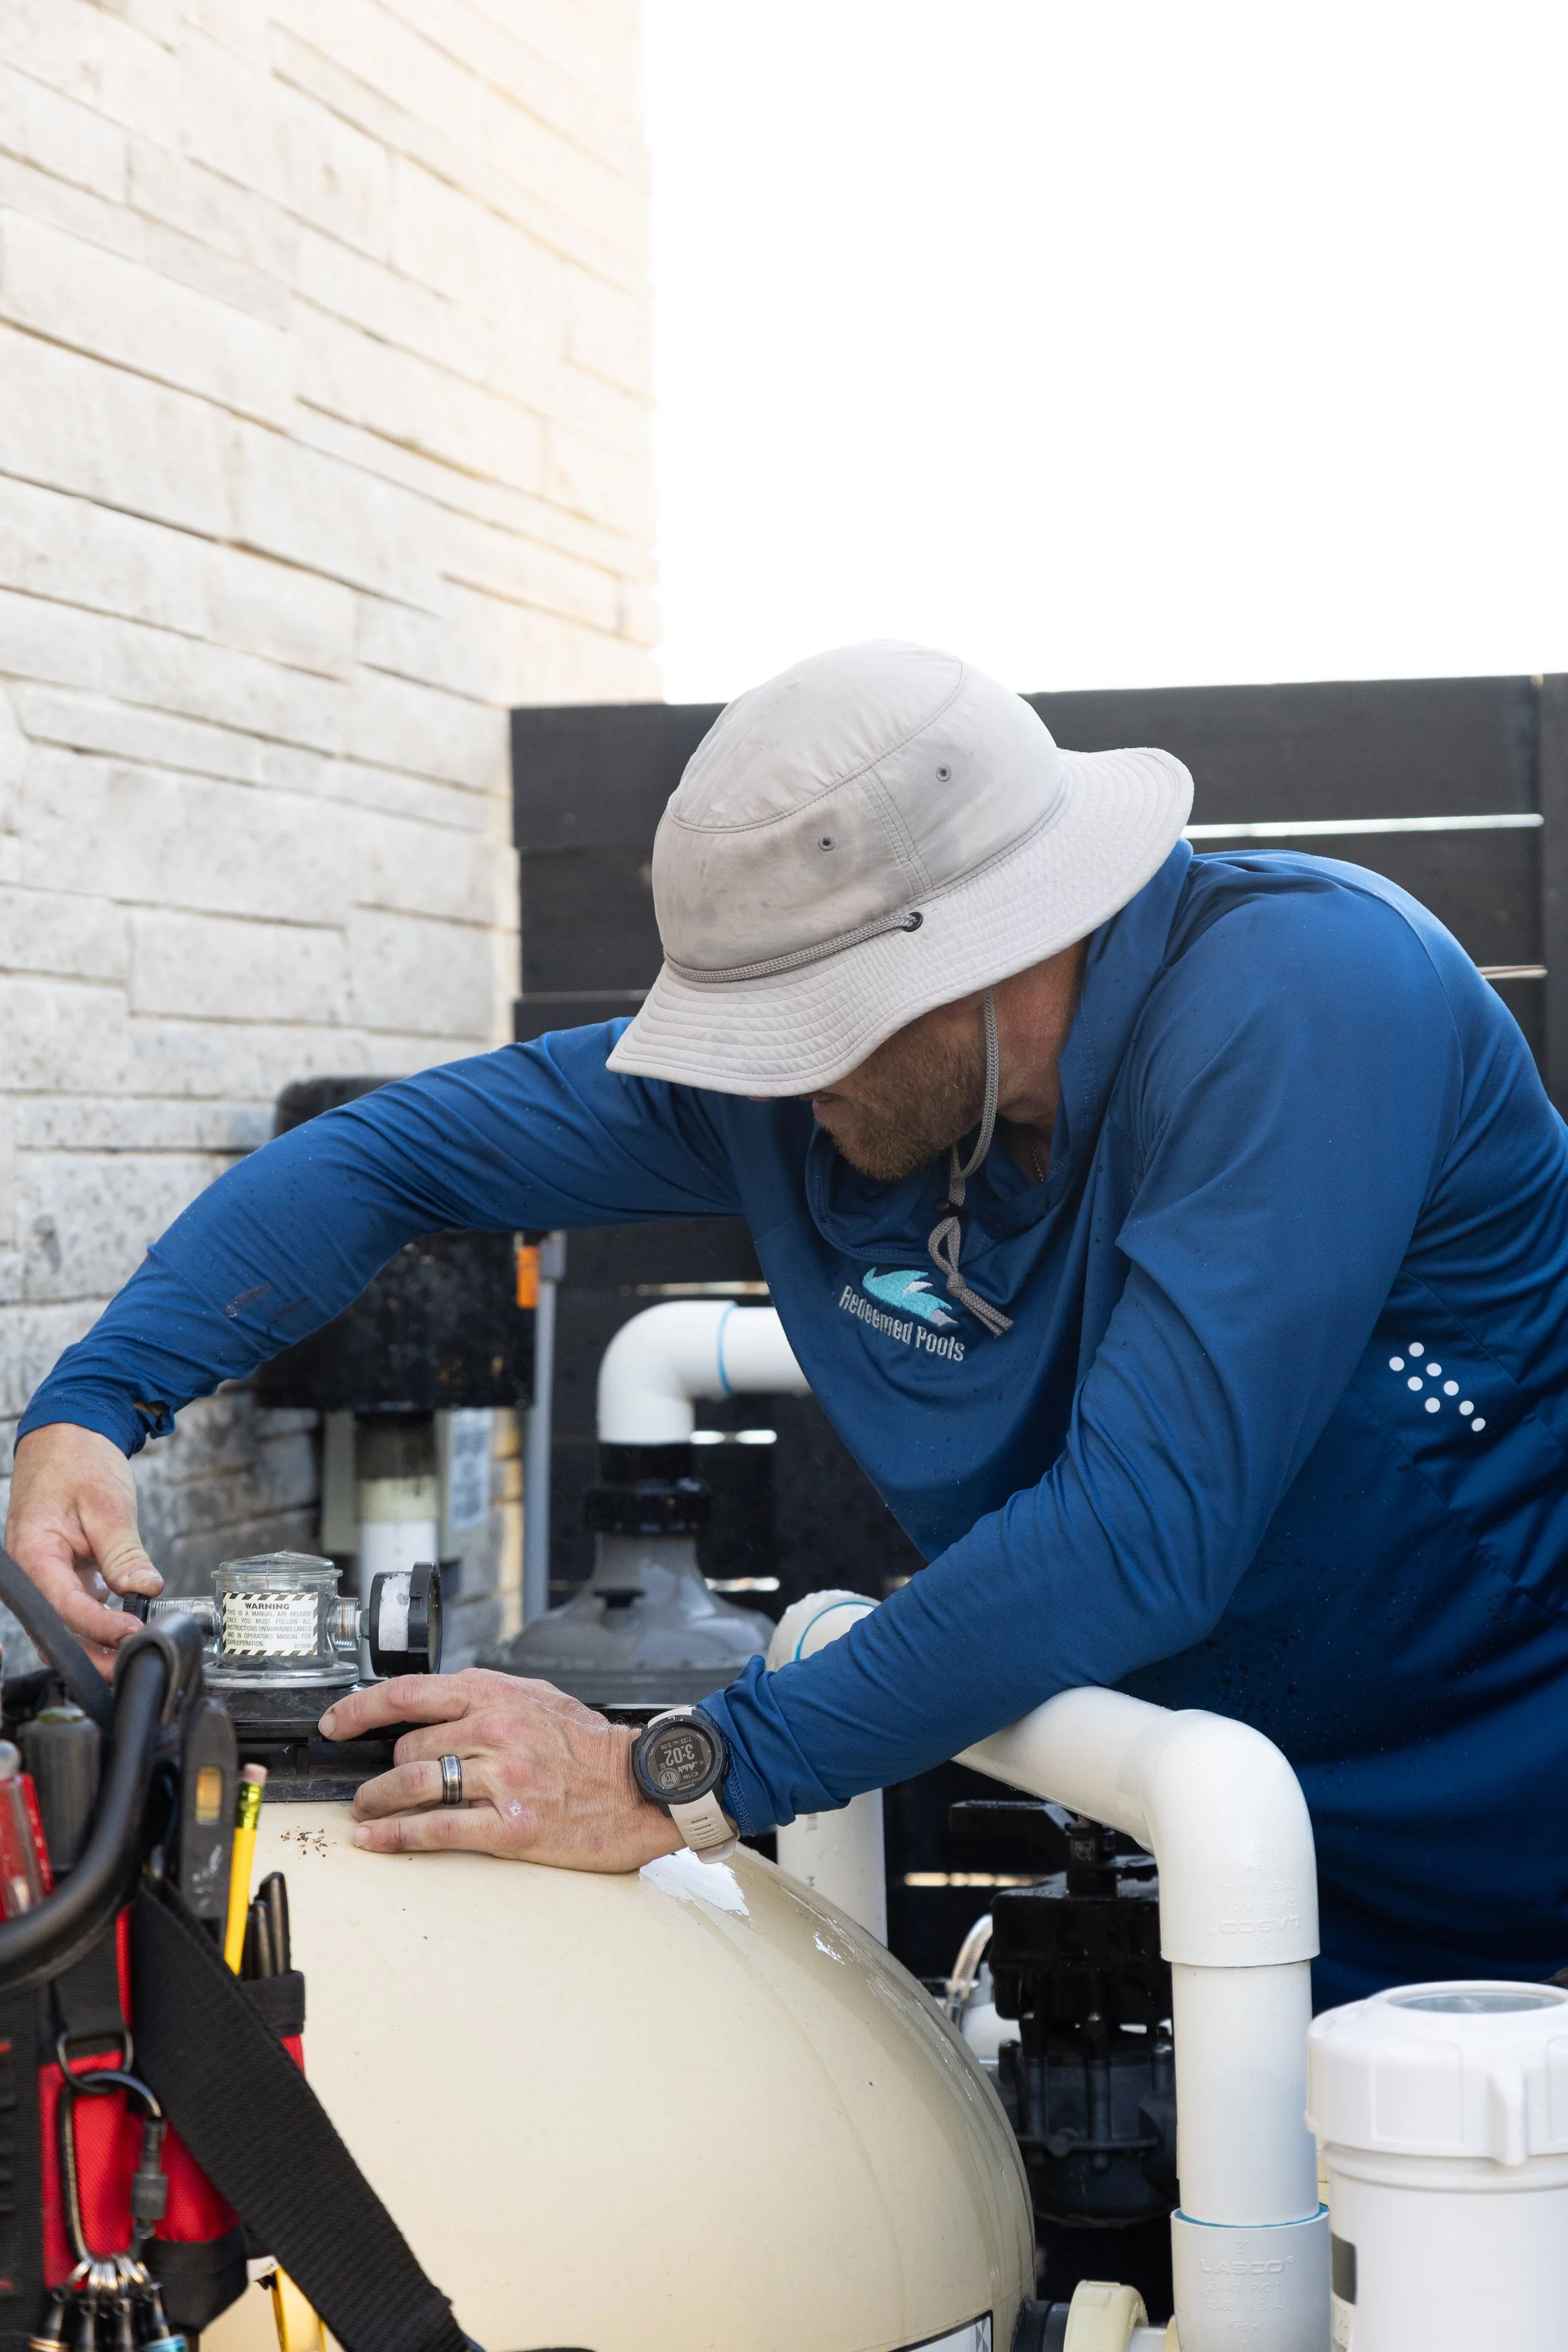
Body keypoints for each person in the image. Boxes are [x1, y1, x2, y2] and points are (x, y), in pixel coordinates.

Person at [8, 640, 1568, 2005]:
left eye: (800, 1030)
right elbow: (389, 1155)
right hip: (1256, 1868)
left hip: (1521, 1832)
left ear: (978, 947)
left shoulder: (1305, 995)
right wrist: (93, 1404)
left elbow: (1140, 1532)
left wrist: (665, 1774)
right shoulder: (803, 1102)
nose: (764, 1077)